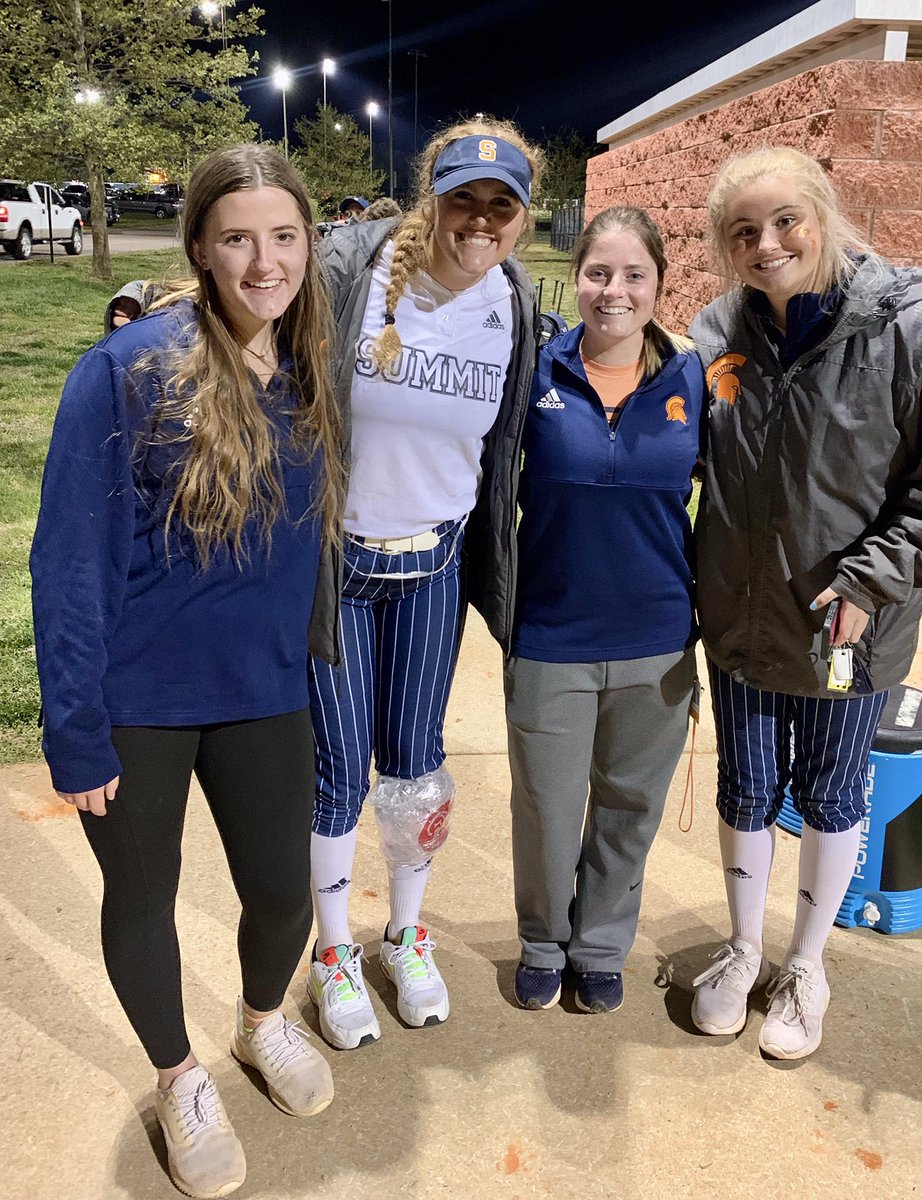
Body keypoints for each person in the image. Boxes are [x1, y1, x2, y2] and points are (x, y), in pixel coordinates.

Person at [30, 143, 343, 1198]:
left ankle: (261, 1024)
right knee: (142, 895)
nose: (266, 261)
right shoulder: (126, 370)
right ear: (202, 246)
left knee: (280, 896)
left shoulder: (310, 362)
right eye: (239, 238)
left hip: (264, 689)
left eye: (285, 236)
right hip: (141, 701)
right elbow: (67, 560)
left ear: (309, 242)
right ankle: (179, 1077)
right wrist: (73, 724)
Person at [687, 146, 922, 1059]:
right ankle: (743, 950)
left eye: (786, 220)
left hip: (845, 626)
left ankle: (805, 965)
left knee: (828, 791)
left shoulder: (912, 335)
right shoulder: (718, 335)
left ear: (823, 213)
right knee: (746, 785)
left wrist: (873, 576)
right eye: (743, 232)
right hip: (740, 617)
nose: (767, 244)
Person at [305, 118, 543, 1048]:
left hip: (433, 562)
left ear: (522, 219)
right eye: (464, 198)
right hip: (340, 561)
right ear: (431, 197)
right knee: (336, 769)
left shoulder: (514, 301)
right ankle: (331, 953)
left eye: (502, 204)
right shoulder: (354, 275)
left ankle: (404, 934)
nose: (480, 220)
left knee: (415, 765)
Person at [506, 206, 706, 1015]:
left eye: (634, 276)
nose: (613, 291)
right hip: (551, 636)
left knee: (630, 805)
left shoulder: (694, 382)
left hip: (657, 639)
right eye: (598, 273)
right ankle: (542, 940)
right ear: (576, 276)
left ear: (660, 285)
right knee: (548, 808)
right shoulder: (536, 372)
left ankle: (600, 946)